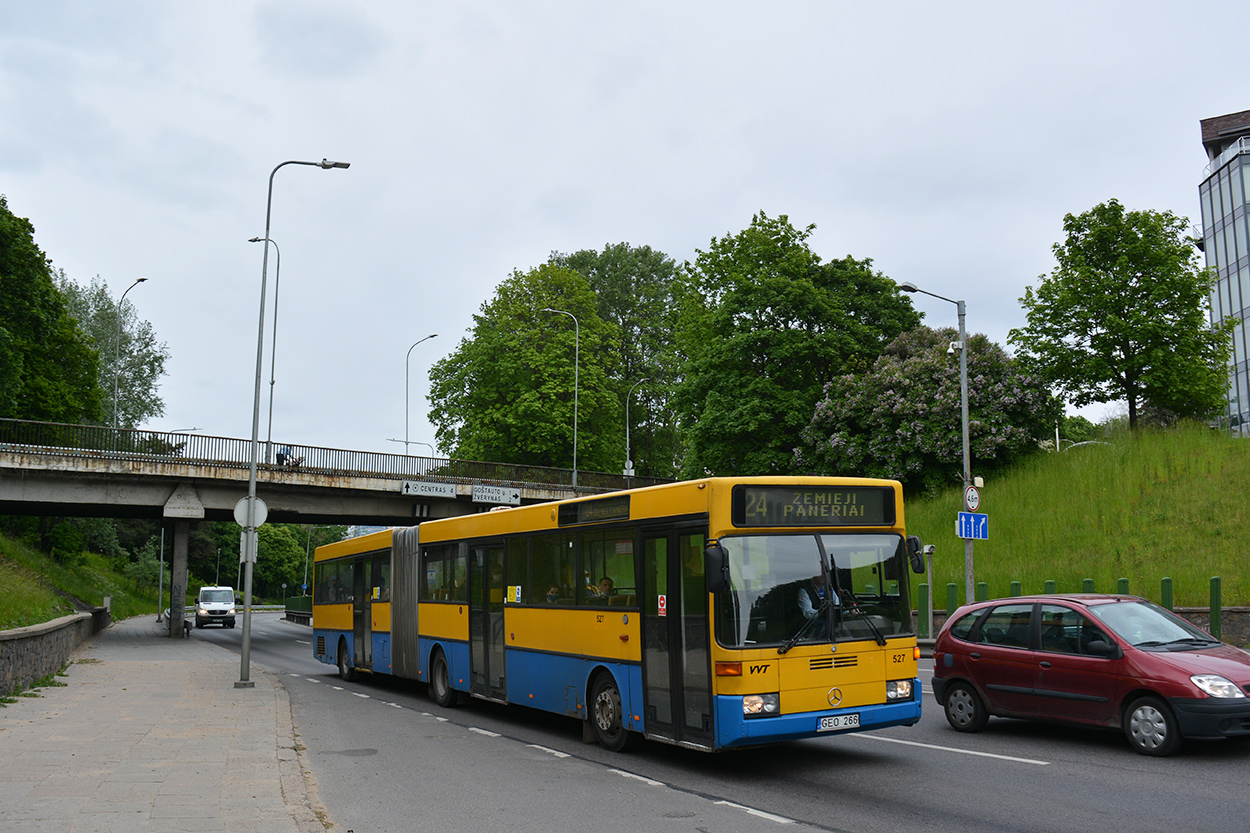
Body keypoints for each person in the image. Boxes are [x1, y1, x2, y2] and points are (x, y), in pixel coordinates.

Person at [798, 572, 836, 637]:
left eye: (824, 573)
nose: (822, 576)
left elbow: (837, 604)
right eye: (820, 573)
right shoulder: (804, 590)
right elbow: (807, 612)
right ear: (813, 574)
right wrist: (821, 613)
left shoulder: (828, 587)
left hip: (831, 624)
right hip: (814, 626)